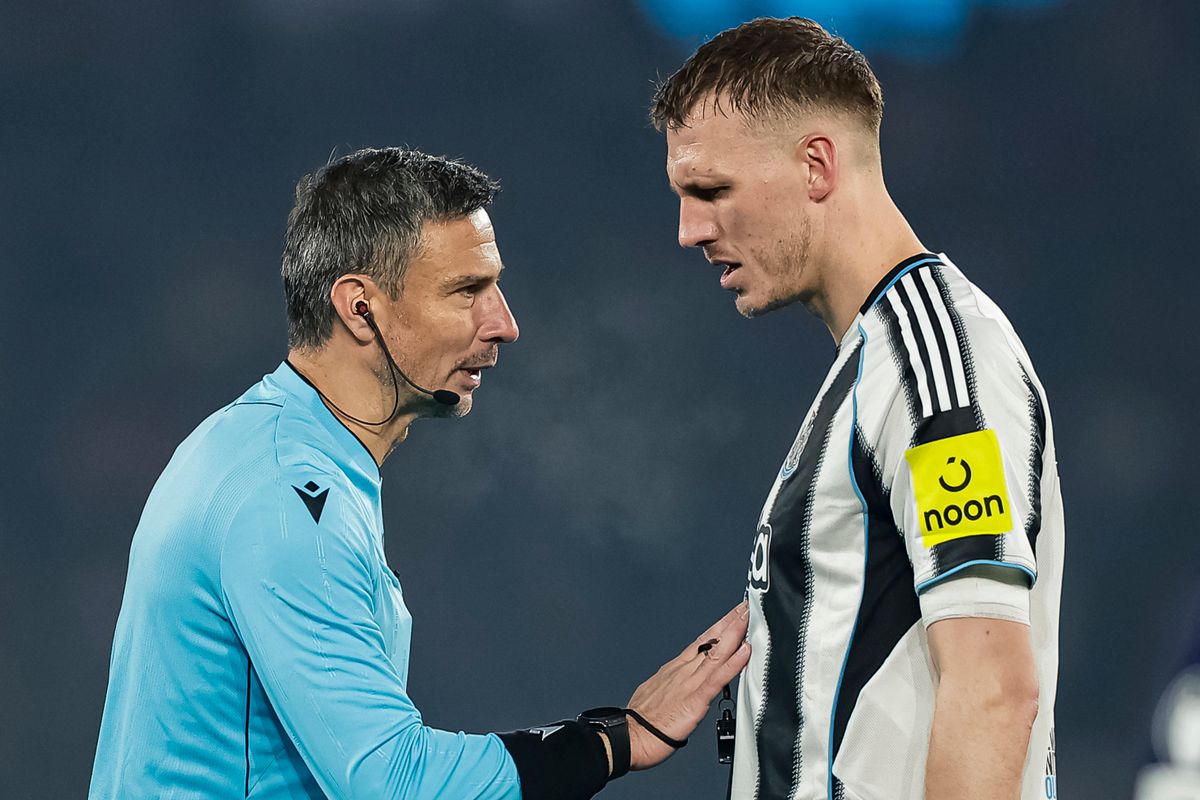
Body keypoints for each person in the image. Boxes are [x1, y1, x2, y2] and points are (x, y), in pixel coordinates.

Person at [88, 147, 751, 799]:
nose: (505, 325)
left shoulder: (264, 448)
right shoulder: (287, 498)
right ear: (360, 308)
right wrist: (615, 741)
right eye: (466, 291)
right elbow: (394, 782)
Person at [649, 17, 1063, 800]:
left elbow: (993, 689)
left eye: (712, 191)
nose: (690, 231)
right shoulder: (878, 362)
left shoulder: (936, 366)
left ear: (816, 164)